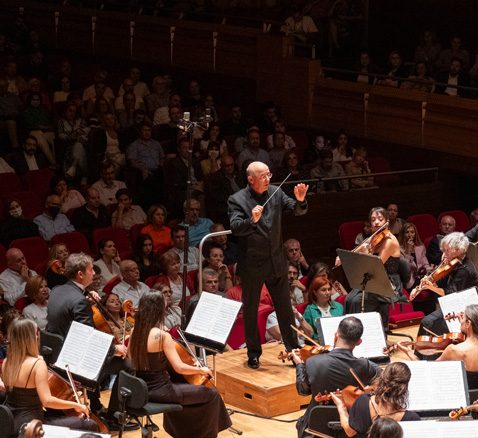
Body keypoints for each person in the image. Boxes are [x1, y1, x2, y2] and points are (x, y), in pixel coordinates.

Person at [228, 161, 308, 369]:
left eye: (268, 175)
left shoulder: (276, 192)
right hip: (253, 265)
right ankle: (253, 353)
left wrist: (300, 201)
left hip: (276, 262)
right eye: (262, 176)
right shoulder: (237, 199)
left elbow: (296, 210)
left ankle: (293, 351)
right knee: (251, 310)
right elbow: (236, 228)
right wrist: (251, 220)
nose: (267, 179)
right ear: (250, 179)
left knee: (285, 309)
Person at [128, 291, 231, 437]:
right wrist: (202, 369)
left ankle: (182, 433)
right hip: (162, 391)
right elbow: (179, 367)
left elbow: (129, 357)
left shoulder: (134, 331)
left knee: (185, 389)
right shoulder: (163, 336)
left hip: (142, 390)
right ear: (159, 310)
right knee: (212, 394)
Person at [46, 253, 129, 428]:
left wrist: (84, 296)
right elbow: (86, 338)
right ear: (80, 274)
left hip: (55, 355)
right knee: (128, 364)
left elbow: (68, 313)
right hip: (74, 360)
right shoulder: (79, 301)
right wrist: (114, 349)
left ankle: (97, 406)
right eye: (91, 270)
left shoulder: (57, 290)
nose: (94, 273)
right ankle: (114, 415)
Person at [2, 319, 99, 432]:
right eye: (36, 334)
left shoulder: (6, 362)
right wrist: (76, 405)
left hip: (10, 423)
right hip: (33, 426)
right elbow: (47, 401)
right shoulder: (37, 364)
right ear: (31, 338)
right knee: (90, 424)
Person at [292, 316, 380, 437]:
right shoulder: (364, 365)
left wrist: (300, 365)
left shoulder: (313, 362)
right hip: (352, 424)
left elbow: (303, 390)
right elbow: (380, 374)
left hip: (317, 424)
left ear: (336, 335)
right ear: (359, 342)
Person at [398, 304, 478, 388]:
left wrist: (407, 351)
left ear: (468, 323)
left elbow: (427, 370)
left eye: (463, 318)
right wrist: (465, 327)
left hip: (459, 397)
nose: (460, 319)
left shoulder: (454, 350)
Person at [344, 207, 402, 328]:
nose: (376, 222)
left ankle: (360, 333)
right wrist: (342, 259)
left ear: (386, 221)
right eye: (373, 219)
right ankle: (348, 334)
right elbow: (356, 253)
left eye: (380, 219)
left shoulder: (389, 241)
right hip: (372, 279)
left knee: (357, 301)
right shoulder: (374, 238)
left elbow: (376, 265)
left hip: (387, 282)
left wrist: (367, 253)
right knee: (349, 298)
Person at [331, 362, 420, 438]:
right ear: (404, 388)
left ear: (382, 378)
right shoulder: (412, 418)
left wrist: (341, 407)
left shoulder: (363, 402)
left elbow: (350, 432)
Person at [415, 232, 478, 337]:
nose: (444, 253)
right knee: (428, 322)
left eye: (447, 250)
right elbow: (441, 284)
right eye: (443, 250)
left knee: (427, 322)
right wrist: (439, 270)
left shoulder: (465, 269)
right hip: (452, 301)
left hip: (463, 306)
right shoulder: (453, 263)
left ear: (459, 250)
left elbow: (450, 294)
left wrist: (430, 287)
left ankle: (422, 350)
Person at [302, 274, 344, 341]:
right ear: (315, 292)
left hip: (340, 342)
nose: (327, 293)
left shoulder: (338, 306)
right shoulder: (309, 310)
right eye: (323, 290)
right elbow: (310, 335)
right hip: (321, 345)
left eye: (329, 289)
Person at [398, 222, 431, 290]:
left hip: (422, 277)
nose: (410, 235)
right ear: (403, 234)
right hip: (410, 279)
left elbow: (425, 263)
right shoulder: (399, 249)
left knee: (435, 284)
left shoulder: (420, 247)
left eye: (412, 232)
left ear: (415, 234)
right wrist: (409, 251)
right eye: (407, 232)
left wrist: (430, 271)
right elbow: (405, 268)